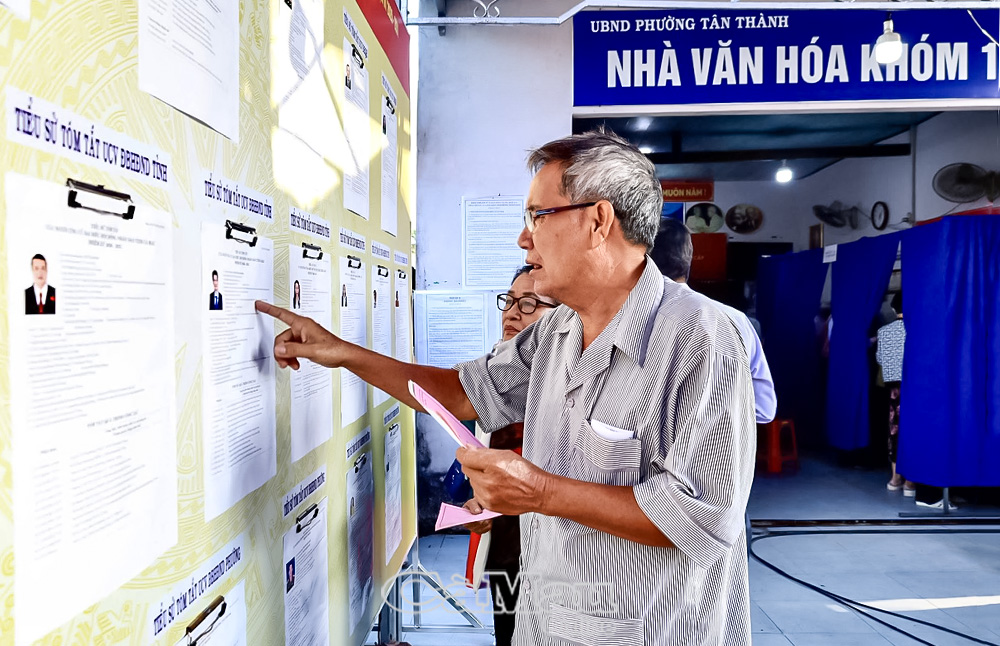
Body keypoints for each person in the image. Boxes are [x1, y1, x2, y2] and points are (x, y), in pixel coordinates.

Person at [254, 129, 756, 645]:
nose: (523, 238)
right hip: (546, 624)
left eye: (538, 216)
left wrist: (540, 491)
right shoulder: (557, 330)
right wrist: (341, 352)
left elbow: (702, 520)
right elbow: (461, 392)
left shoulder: (703, 339)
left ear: (598, 221)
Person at [462, 264, 559, 646]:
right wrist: (480, 500)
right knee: (507, 630)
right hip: (505, 544)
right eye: (510, 300)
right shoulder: (494, 376)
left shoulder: (568, 383)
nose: (513, 313)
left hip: (554, 551)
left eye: (530, 303)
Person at [649, 218, 776, 424]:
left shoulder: (625, 320)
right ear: (688, 262)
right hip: (725, 440)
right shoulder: (737, 321)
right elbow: (764, 409)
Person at [877, 292, 915, 496]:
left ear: (893, 309)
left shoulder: (883, 331)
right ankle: (910, 482)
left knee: (894, 431)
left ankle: (895, 479)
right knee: (912, 430)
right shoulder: (916, 331)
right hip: (913, 388)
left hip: (893, 390)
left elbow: (880, 359)